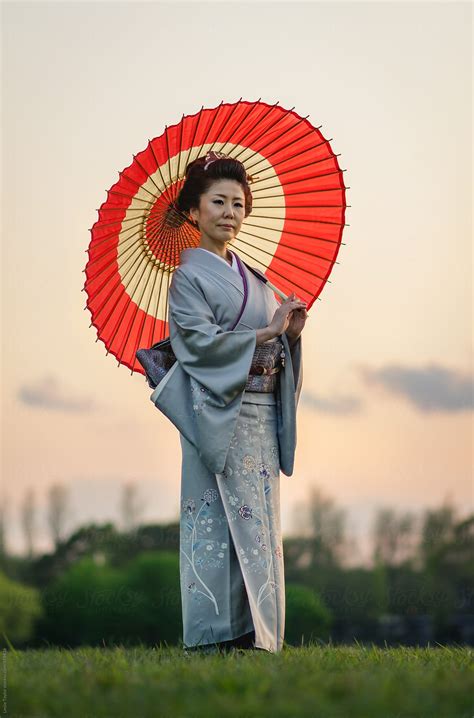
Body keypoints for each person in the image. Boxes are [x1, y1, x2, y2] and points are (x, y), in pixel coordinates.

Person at [149, 150, 308, 654]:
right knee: (213, 519)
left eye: (238, 204)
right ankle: (216, 634)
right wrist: (264, 331)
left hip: (259, 414)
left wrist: (290, 336)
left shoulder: (257, 280)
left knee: (257, 519)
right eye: (217, 201)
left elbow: (273, 338)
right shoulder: (188, 279)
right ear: (192, 212)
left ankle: (259, 633)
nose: (230, 213)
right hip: (213, 413)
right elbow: (195, 343)